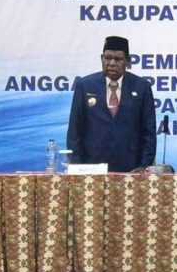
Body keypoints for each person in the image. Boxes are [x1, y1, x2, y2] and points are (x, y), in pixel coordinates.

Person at [67, 36, 156, 171]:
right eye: (108, 58)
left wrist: (143, 166)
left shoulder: (142, 87)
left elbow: (149, 132)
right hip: (91, 168)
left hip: (131, 169)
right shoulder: (84, 86)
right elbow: (75, 131)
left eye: (118, 59)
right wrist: (78, 167)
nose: (112, 63)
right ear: (101, 58)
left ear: (127, 60)